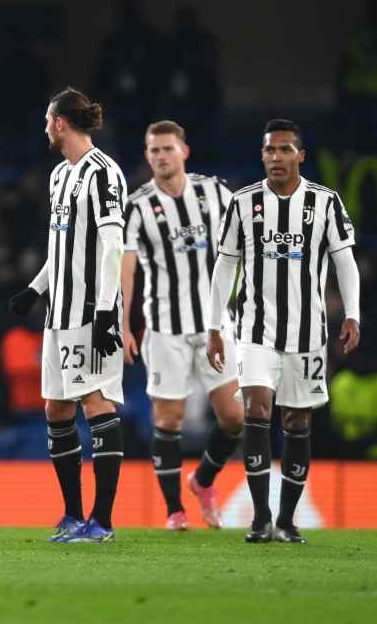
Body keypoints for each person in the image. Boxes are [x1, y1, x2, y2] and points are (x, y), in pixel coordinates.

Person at [206, 119, 362, 544]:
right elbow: (225, 266)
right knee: (257, 410)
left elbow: (345, 261)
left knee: (296, 419)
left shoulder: (325, 202)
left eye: (284, 149)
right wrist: (215, 326)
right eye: (269, 150)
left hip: (308, 333)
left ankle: (288, 521)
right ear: (262, 156)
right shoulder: (243, 203)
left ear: (300, 156)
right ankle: (260, 518)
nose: (276, 157)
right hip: (254, 329)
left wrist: (353, 315)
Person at [8, 87, 128, 543]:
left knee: (96, 401)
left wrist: (106, 311)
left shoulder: (104, 173)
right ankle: (73, 515)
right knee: (57, 408)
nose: (45, 128)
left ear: (60, 122)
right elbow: (63, 246)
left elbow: (113, 246)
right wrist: (35, 289)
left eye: (47, 120)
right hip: (58, 313)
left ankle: (103, 520)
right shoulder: (59, 175)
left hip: (90, 311)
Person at [121, 120, 243, 531]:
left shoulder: (215, 192)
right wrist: (124, 324)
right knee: (168, 419)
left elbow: (244, 243)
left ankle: (202, 480)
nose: (160, 156)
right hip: (165, 328)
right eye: (153, 150)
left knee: (234, 417)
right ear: (147, 155)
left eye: (167, 148)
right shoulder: (137, 206)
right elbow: (127, 268)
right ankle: (175, 510)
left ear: (184, 152)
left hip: (214, 326)